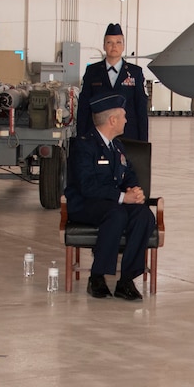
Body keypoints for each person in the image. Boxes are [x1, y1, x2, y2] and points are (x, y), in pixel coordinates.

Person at [65, 94, 152, 301]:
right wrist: (123, 197)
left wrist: (135, 190)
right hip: (86, 204)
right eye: (123, 116)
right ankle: (97, 277)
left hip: (113, 203)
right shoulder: (84, 146)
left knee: (144, 216)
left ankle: (127, 280)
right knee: (117, 214)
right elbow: (87, 186)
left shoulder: (117, 147)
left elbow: (128, 173)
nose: (126, 120)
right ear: (112, 120)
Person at [76, 22, 149, 142]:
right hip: (97, 137)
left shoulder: (135, 72)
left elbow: (141, 109)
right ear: (104, 46)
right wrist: (81, 137)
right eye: (109, 42)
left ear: (123, 46)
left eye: (118, 42)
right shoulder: (92, 71)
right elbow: (83, 107)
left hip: (128, 136)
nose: (114, 46)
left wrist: (143, 142)